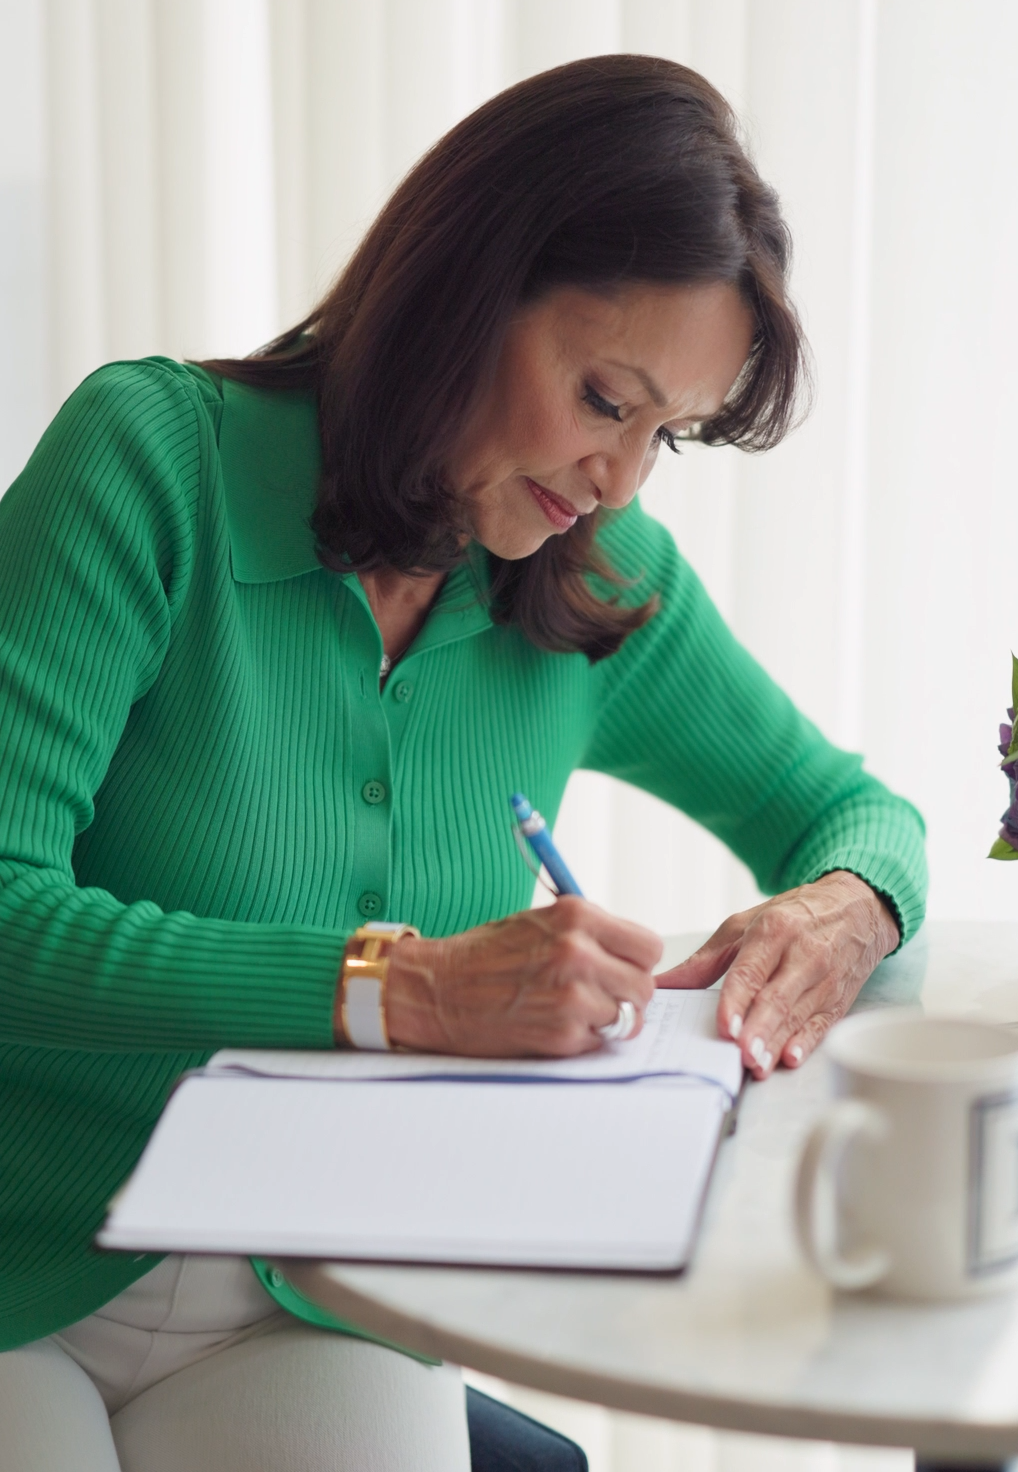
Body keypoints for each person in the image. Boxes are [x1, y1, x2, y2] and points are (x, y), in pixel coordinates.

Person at [0, 52, 925, 1472]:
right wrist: (403, 989)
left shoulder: (598, 580)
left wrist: (841, 903)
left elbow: (853, 812)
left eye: (662, 433)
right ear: (462, 291)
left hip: (317, 1296)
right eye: (604, 396)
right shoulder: (151, 466)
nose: (619, 478)